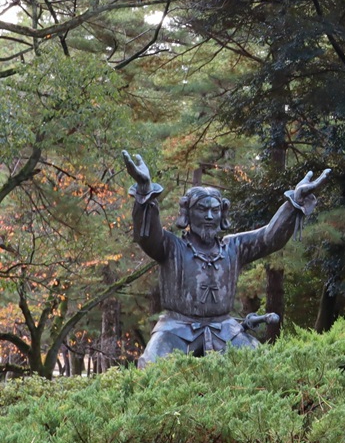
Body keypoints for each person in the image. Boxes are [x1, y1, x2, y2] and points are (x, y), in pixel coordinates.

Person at [120, 150, 329, 365]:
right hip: (176, 329)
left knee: (263, 365)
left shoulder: (234, 247)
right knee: (152, 365)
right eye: (202, 210)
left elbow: (269, 238)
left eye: (215, 210)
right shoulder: (172, 246)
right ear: (188, 213)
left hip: (225, 329)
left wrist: (294, 203)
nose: (209, 216)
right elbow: (148, 236)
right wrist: (144, 191)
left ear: (222, 214)